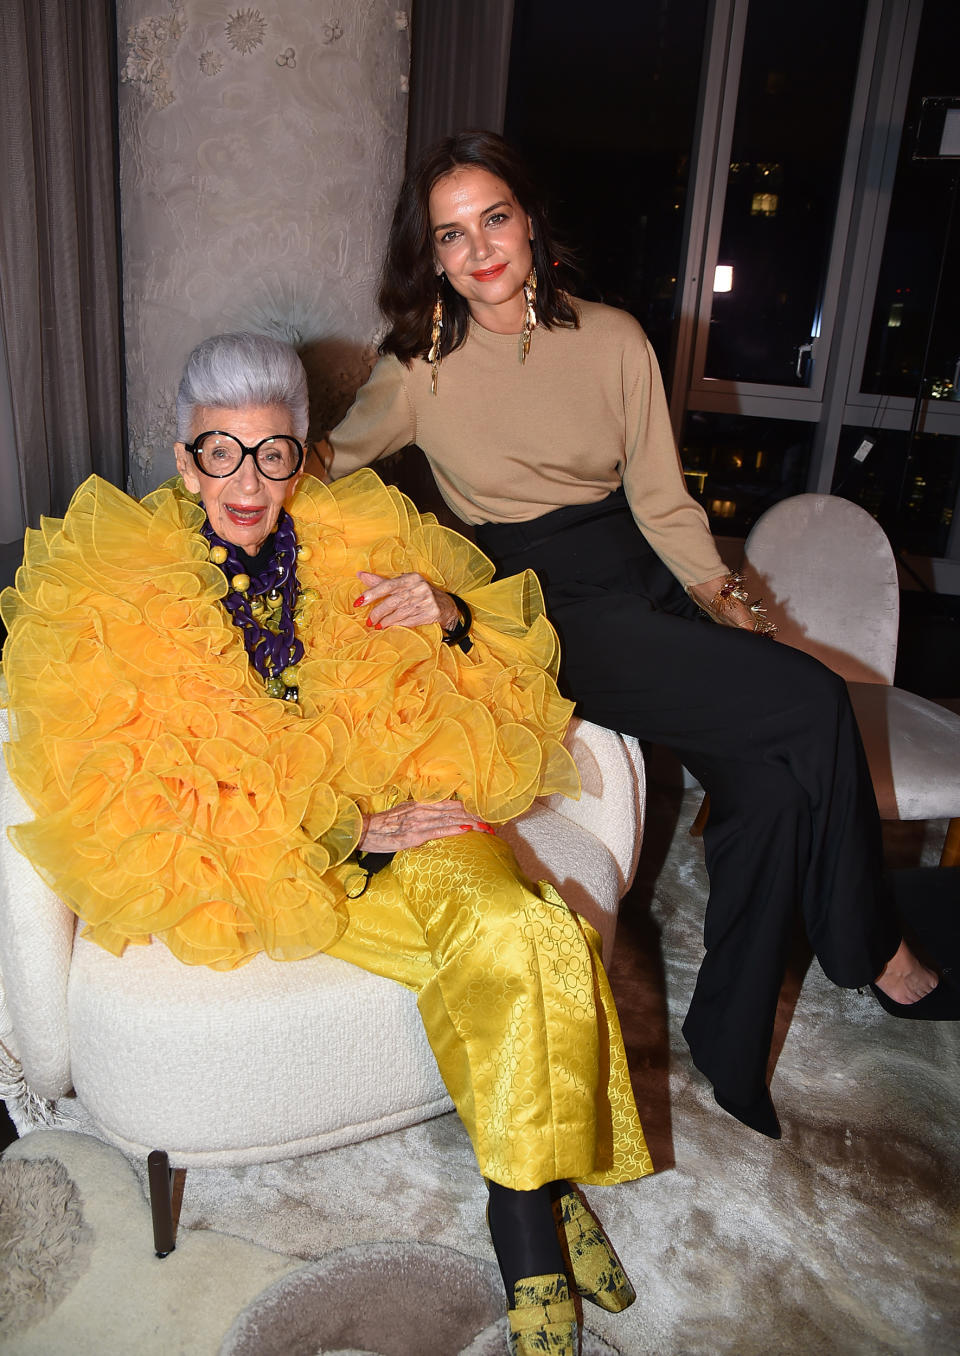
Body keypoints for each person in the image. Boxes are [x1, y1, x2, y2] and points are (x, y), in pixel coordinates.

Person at [0, 332, 652, 1356]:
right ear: (185, 458)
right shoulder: (124, 586)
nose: (246, 481)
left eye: (272, 455)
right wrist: (350, 825)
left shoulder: (362, 534)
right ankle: (545, 1211)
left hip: (418, 809)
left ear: (301, 459)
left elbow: (507, 666)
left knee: (520, 929)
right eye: (221, 451)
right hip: (284, 865)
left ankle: (522, 1212)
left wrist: (451, 617)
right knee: (527, 944)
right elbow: (153, 801)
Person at [325, 129, 939, 1142]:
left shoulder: (614, 339)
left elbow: (662, 505)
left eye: (495, 219)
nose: (479, 249)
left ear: (529, 222)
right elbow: (322, 468)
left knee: (778, 786)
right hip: (550, 610)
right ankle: (869, 944)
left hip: (643, 577)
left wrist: (738, 617)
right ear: (428, 256)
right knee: (819, 702)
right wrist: (235, 473)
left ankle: (732, 1046)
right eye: (450, 235)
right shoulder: (416, 372)